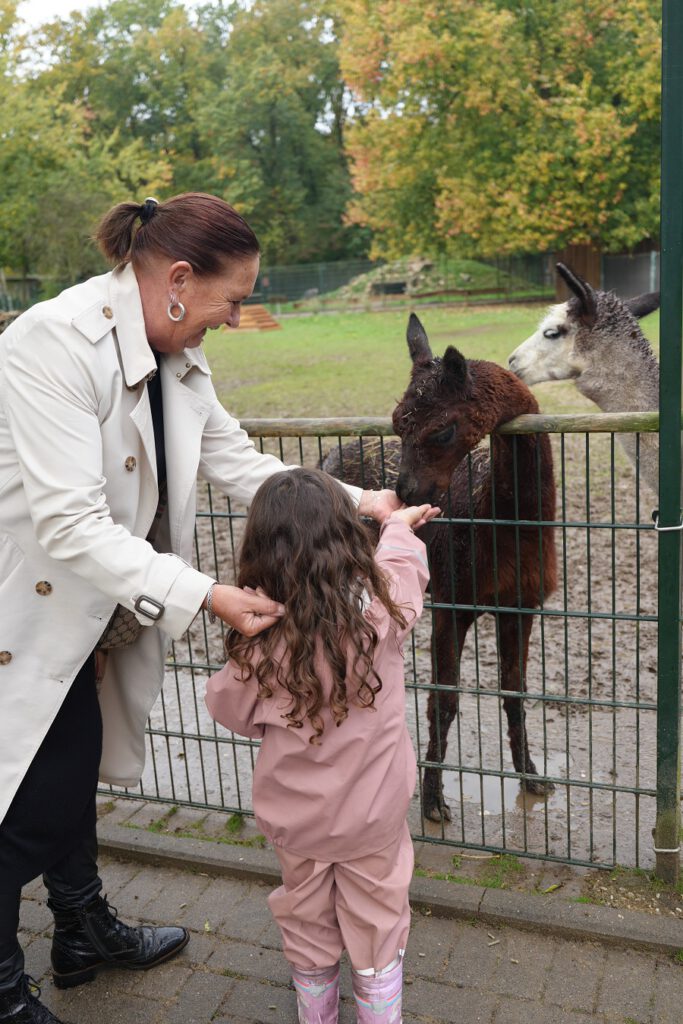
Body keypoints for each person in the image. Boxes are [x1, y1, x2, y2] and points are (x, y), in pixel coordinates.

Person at [0, 193, 399, 1024]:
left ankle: (81, 930)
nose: (235, 316)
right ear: (179, 279)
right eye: (233, 298)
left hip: (108, 604)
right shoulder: (52, 341)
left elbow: (237, 460)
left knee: (72, 783)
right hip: (32, 606)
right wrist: (204, 594)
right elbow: (68, 521)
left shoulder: (177, 354)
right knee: (27, 808)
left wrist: (362, 500)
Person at [205, 468, 439, 1024]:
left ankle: (318, 1014)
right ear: (344, 539)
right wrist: (397, 525)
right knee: (379, 921)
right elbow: (404, 569)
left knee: (306, 918)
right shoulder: (384, 615)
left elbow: (228, 711)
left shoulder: (259, 647)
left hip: (297, 822)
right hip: (374, 819)